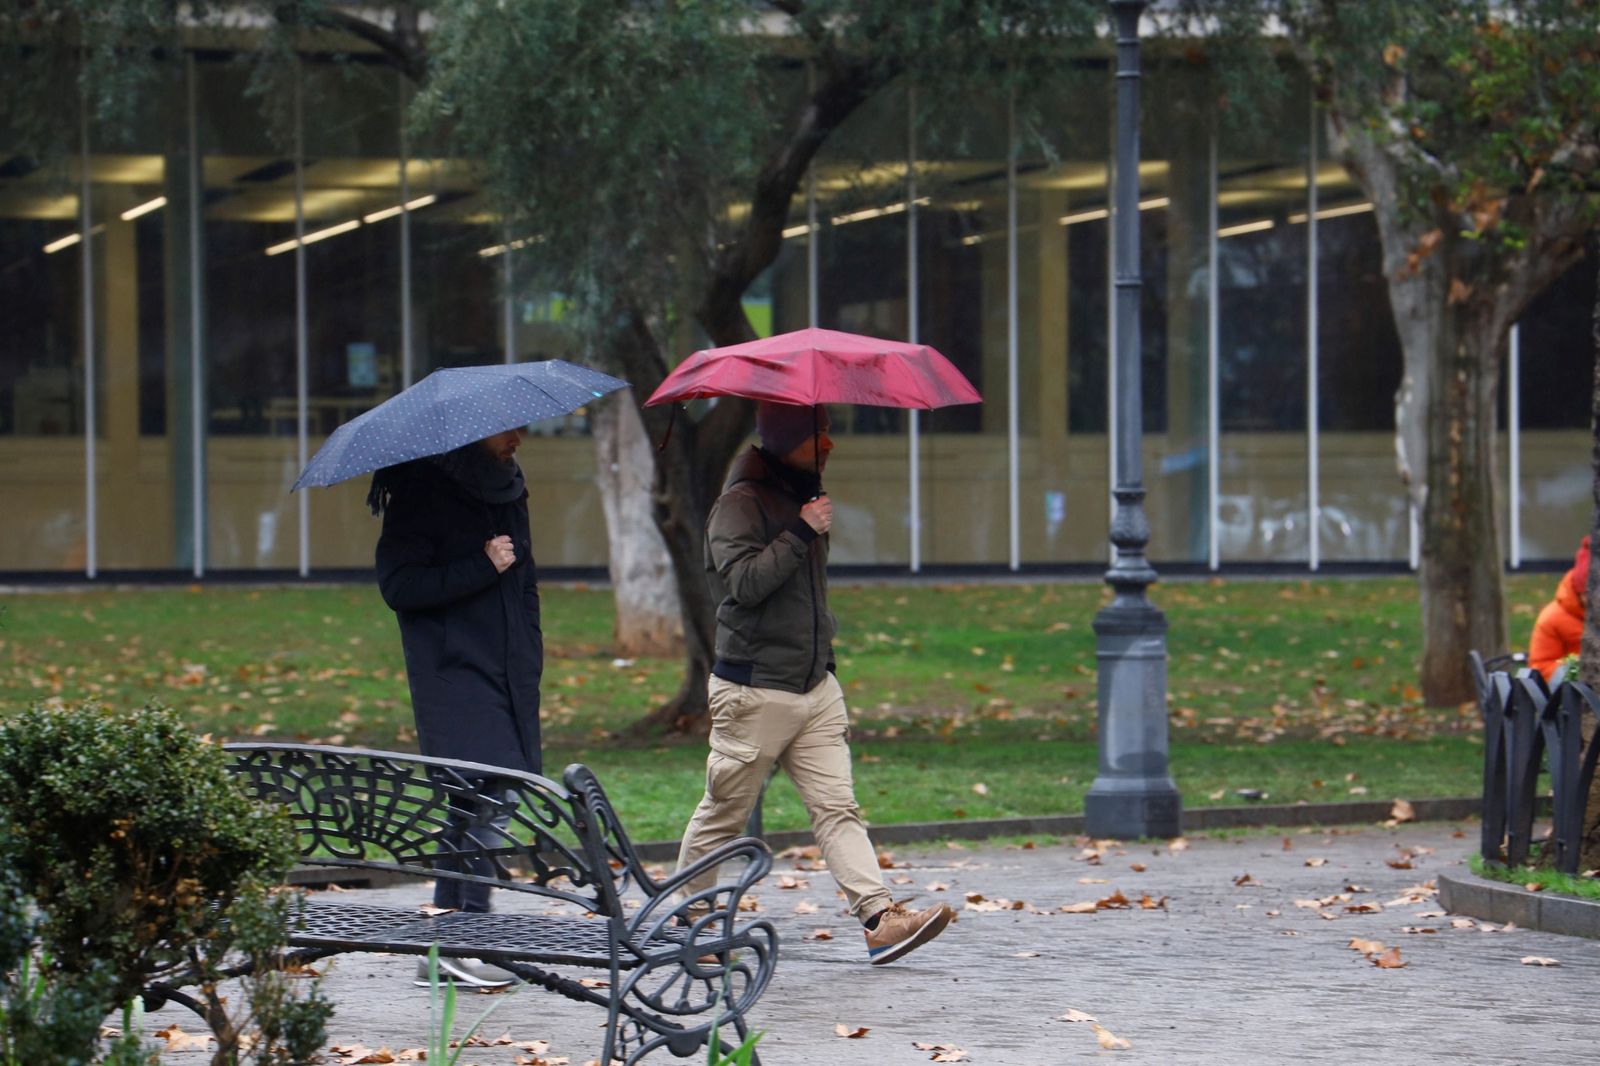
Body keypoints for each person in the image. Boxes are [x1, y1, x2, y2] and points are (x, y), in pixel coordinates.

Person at [675, 401, 954, 965]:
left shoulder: (801, 495)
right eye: (817, 435)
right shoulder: (739, 504)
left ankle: (878, 919)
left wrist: (823, 654)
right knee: (723, 814)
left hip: (814, 687)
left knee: (838, 808)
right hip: (755, 689)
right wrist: (801, 531)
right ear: (784, 441)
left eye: (827, 432)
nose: (829, 444)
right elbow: (743, 585)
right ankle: (685, 925)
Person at [371, 426, 543, 988]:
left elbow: (524, 581)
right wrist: (481, 565)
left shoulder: (508, 486)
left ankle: (449, 941)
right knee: (486, 796)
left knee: (479, 802)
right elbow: (399, 586)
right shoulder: (423, 487)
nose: (519, 437)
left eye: (522, 426)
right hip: (453, 672)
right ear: (475, 431)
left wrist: (530, 653)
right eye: (508, 429)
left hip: (508, 669)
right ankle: (464, 937)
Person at [1529, 536, 1590, 680]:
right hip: (1573, 690)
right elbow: (1540, 668)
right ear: (1579, 590)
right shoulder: (1552, 619)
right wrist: (1580, 668)